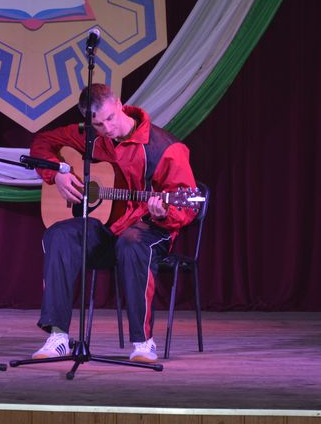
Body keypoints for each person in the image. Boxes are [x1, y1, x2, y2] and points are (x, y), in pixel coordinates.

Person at [29, 83, 197, 362]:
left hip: (149, 229)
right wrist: (57, 172)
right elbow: (42, 142)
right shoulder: (92, 137)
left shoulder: (165, 147)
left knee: (132, 243)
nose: (106, 128)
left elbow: (186, 208)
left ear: (120, 104)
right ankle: (58, 337)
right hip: (109, 227)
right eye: (98, 124)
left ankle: (143, 342)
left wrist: (162, 212)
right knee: (59, 235)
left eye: (110, 118)